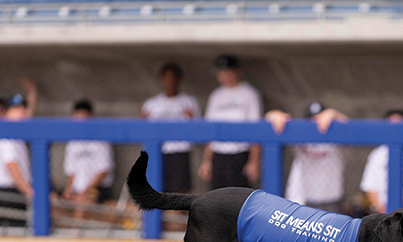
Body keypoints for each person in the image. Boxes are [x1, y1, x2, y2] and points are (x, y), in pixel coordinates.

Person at [266, 102, 347, 212]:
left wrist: (334, 114)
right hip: (306, 201)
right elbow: (271, 119)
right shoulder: (300, 138)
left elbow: (349, 126)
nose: (315, 122)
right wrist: (275, 115)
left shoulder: (336, 136)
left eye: (319, 118)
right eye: (311, 119)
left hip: (332, 201)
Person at [199, 55, 262, 190]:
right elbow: (210, 131)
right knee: (217, 197)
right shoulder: (216, 95)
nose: (225, 76)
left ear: (237, 71)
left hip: (240, 153)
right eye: (221, 72)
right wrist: (207, 161)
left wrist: (253, 162)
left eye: (228, 71)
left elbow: (256, 130)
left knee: (238, 198)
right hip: (219, 154)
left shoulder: (249, 93)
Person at [141, 62, 200, 193]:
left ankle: (181, 214)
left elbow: (198, 130)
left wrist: (192, 119)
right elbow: (142, 129)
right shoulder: (151, 104)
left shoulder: (189, 101)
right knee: (157, 189)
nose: (169, 81)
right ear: (162, 79)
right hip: (158, 152)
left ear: (179, 79)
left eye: (173, 77)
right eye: (166, 77)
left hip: (179, 151)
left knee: (181, 192)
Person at [62, 100, 114, 220]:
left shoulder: (100, 140)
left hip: (95, 189)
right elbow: (70, 171)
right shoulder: (72, 142)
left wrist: (84, 191)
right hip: (77, 189)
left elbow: (103, 171)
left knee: (83, 203)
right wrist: (69, 189)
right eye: (78, 116)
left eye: (84, 117)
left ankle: (78, 237)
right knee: (53, 201)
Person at [0, 81, 37, 227]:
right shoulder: (7, 136)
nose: (21, 111)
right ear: (6, 112)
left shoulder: (18, 132)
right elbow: (12, 167)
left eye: (22, 107)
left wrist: (33, 93)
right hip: (8, 192)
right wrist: (29, 192)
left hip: (17, 190)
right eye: (16, 108)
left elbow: (29, 115)